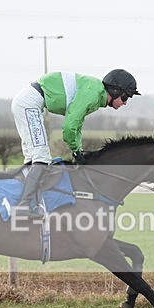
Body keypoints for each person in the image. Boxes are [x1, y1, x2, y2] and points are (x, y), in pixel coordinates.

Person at [11, 69, 140, 218]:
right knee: (42, 159)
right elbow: (69, 127)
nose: (125, 103)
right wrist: (75, 150)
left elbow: (77, 125)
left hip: (29, 103)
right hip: (30, 103)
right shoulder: (92, 92)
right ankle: (23, 207)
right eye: (125, 97)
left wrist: (78, 150)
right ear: (115, 90)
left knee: (33, 160)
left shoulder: (95, 94)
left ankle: (27, 201)